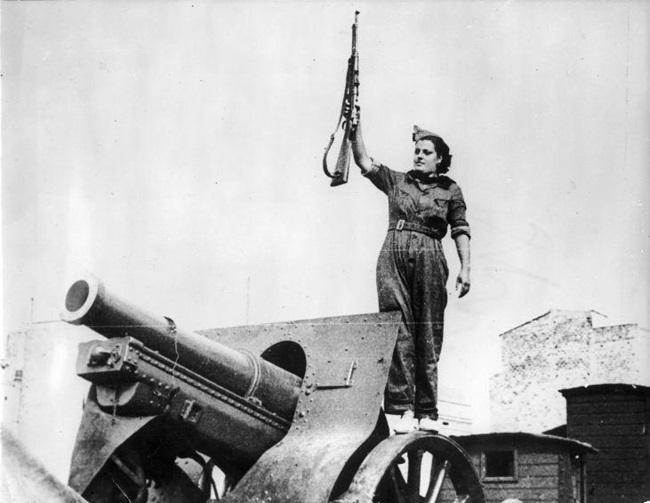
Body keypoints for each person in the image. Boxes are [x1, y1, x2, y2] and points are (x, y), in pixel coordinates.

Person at [351, 120, 471, 433]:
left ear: (439, 159)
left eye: (426, 152)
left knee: (428, 334)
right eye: (416, 151)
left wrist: (465, 268)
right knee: (397, 331)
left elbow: (460, 230)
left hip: (431, 256)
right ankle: (400, 410)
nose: (418, 155)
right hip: (393, 255)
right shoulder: (397, 180)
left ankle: (426, 412)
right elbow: (364, 161)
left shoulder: (451, 190)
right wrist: (356, 130)